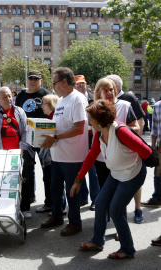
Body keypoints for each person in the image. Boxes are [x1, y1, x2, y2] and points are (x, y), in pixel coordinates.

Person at [70, 99, 151, 259]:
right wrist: (79, 179)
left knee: (115, 210)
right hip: (116, 173)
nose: (89, 122)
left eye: (91, 120)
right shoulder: (99, 132)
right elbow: (92, 154)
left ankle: (127, 249)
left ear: (100, 120)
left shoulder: (121, 131)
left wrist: (132, 163)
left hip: (132, 175)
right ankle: (97, 241)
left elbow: (146, 152)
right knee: (100, 203)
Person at [40, 67, 88, 236]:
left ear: (64, 82)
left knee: (72, 191)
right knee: (55, 188)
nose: (53, 86)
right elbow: (56, 125)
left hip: (73, 155)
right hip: (58, 153)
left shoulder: (77, 99)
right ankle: (57, 215)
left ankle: (75, 223)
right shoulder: (61, 100)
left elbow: (80, 128)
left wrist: (56, 137)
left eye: (54, 83)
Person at [107, 74, 145, 223]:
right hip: (115, 150)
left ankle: (137, 208)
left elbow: (140, 121)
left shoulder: (129, 97)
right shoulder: (107, 101)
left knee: (134, 178)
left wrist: (136, 142)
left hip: (131, 146)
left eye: (109, 86)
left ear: (116, 86)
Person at [0, 87, 30, 217]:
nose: (8, 99)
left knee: (23, 180)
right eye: (4, 97)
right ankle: (2, 207)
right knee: (2, 181)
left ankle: (25, 208)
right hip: (1, 154)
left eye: (9, 96)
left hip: (18, 153)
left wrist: (22, 148)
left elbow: (25, 131)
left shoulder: (19, 111)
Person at [93, 78, 139, 189]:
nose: (109, 93)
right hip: (102, 158)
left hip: (121, 157)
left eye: (111, 90)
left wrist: (117, 129)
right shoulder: (94, 108)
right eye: (105, 90)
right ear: (99, 93)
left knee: (118, 195)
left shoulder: (125, 106)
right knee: (104, 190)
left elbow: (136, 128)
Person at [15, 70, 50, 203]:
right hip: (27, 138)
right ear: (27, 80)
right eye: (31, 78)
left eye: (36, 79)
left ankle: (49, 201)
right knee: (27, 169)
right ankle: (30, 196)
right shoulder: (21, 95)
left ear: (40, 80)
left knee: (47, 169)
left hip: (43, 137)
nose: (33, 81)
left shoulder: (46, 94)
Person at [36, 94, 66, 213]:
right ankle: (49, 203)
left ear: (52, 105)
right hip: (48, 154)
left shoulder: (55, 118)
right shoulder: (49, 117)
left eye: (44, 103)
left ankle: (59, 207)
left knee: (55, 181)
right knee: (47, 178)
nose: (42, 106)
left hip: (55, 154)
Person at [75, 75, 100, 211]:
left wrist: (92, 127)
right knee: (80, 170)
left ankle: (95, 199)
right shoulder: (73, 99)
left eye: (82, 84)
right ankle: (83, 197)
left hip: (91, 141)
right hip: (78, 142)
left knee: (93, 172)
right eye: (78, 84)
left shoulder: (94, 99)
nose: (80, 86)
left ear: (86, 85)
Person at [141, 99, 161, 207]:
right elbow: (155, 127)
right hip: (160, 146)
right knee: (158, 173)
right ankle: (157, 197)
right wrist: (153, 145)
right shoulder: (157, 106)